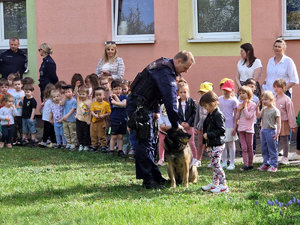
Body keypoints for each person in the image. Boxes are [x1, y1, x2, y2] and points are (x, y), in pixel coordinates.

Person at [126, 50, 195, 189]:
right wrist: (176, 124)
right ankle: (148, 180)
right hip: (140, 108)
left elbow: (155, 90)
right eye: (185, 68)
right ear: (178, 61)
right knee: (144, 143)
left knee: (150, 143)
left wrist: (156, 111)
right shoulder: (165, 71)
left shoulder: (162, 64)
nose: (185, 72)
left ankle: (155, 177)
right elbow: (170, 100)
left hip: (146, 106)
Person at [200, 91, 229, 193]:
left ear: (213, 103)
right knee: (214, 164)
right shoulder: (210, 114)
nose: (205, 108)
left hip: (218, 144)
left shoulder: (218, 115)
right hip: (212, 144)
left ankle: (223, 185)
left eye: (206, 106)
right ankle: (215, 183)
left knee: (217, 164)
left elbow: (222, 130)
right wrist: (206, 142)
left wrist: (209, 135)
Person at [273, 79, 297, 165]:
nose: (276, 89)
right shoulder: (273, 98)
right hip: (274, 123)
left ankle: (285, 157)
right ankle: (273, 156)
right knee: (274, 140)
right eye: (275, 87)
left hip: (283, 122)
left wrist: (293, 125)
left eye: (278, 87)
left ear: (284, 88)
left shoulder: (287, 99)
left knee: (284, 140)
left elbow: (291, 113)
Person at [257, 91, 281, 172]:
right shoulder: (264, 109)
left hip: (271, 131)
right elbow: (258, 116)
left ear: (271, 100)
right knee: (264, 148)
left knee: (272, 149)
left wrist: (278, 133)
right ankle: (266, 163)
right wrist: (257, 107)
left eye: (266, 99)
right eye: (263, 99)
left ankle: (274, 165)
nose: (264, 101)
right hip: (263, 130)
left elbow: (278, 123)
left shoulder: (275, 110)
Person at [219, 79, 239, 170]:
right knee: (223, 144)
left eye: (228, 90)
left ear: (232, 90)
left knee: (231, 144)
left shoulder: (234, 101)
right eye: (224, 90)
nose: (226, 92)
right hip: (221, 125)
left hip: (230, 125)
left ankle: (232, 162)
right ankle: (223, 162)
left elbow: (236, 115)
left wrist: (235, 127)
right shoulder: (219, 99)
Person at [235, 86, 256, 171]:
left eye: (243, 93)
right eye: (240, 93)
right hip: (241, 129)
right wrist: (239, 110)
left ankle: (250, 164)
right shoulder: (239, 105)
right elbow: (236, 117)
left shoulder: (253, 105)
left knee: (249, 147)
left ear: (249, 94)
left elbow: (248, 116)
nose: (241, 95)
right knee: (243, 147)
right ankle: (245, 164)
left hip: (249, 129)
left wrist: (245, 107)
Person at [177, 82, 197, 164]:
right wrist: (180, 123)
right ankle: (183, 158)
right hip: (180, 126)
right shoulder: (177, 102)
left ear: (188, 92)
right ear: (178, 93)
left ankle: (195, 158)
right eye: (181, 92)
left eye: (185, 92)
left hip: (190, 126)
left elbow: (194, 113)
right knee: (181, 142)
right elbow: (175, 114)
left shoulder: (191, 102)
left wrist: (189, 123)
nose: (183, 94)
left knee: (191, 142)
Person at [194, 81, 213, 167]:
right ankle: (198, 159)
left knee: (210, 144)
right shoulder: (199, 104)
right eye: (202, 93)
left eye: (205, 93)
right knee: (200, 144)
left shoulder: (212, 105)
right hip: (200, 127)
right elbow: (197, 116)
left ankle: (212, 160)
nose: (203, 95)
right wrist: (195, 126)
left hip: (209, 128)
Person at [109, 80, 127, 157]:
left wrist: (117, 102)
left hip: (122, 119)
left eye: (119, 89)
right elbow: (121, 104)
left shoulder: (124, 97)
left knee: (120, 136)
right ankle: (111, 150)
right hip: (114, 119)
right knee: (113, 136)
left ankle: (120, 150)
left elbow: (124, 105)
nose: (118, 91)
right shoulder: (111, 97)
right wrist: (119, 102)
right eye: (116, 89)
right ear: (112, 90)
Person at [90, 87, 111, 152]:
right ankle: (94, 145)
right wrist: (94, 115)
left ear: (103, 95)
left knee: (102, 134)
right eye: (96, 95)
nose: (98, 96)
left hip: (101, 122)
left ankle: (103, 146)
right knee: (93, 134)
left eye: (100, 95)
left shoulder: (106, 104)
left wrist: (103, 115)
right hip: (94, 122)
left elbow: (109, 112)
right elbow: (91, 111)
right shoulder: (94, 103)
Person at [75, 85, 92, 152]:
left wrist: (89, 120)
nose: (81, 95)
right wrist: (76, 87)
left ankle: (86, 145)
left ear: (87, 94)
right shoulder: (79, 100)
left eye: (83, 94)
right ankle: (81, 144)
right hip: (78, 119)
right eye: (80, 94)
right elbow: (76, 93)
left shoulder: (89, 102)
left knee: (86, 133)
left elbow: (91, 112)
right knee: (79, 133)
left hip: (86, 121)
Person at [60, 85, 77, 150]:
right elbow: (61, 104)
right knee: (66, 132)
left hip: (71, 119)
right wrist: (65, 97)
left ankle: (73, 143)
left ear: (72, 93)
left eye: (69, 92)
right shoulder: (65, 100)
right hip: (65, 120)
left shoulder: (74, 100)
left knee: (72, 132)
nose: (67, 93)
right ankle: (68, 143)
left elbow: (73, 110)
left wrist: (67, 115)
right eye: (66, 92)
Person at [10, 77, 24, 142]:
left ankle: (22, 138)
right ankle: (15, 138)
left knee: (21, 126)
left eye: (18, 84)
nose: (17, 86)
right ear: (13, 86)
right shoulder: (12, 94)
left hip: (22, 113)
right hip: (15, 114)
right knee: (15, 126)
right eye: (15, 84)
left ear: (22, 85)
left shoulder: (24, 93)